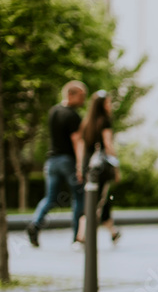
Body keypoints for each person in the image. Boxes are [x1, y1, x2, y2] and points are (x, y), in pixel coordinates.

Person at [27, 81, 88, 248]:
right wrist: (80, 167)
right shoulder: (73, 116)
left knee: (50, 198)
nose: (84, 100)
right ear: (71, 94)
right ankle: (77, 237)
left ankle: (35, 224)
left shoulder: (53, 111)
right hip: (67, 161)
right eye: (82, 96)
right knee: (78, 197)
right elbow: (77, 142)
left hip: (52, 160)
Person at [76, 90, 121, 245]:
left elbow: (81, 146)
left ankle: (113, 232)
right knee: (96, 201)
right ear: (102, 105)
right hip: (101, 168)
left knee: (101, 200)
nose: (110, 106)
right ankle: (82, 236)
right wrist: (116, 166)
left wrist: (80, 167)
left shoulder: (86, 122)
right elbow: (108, 145)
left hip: (88, 166)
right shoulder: (105, 121)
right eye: (108, 102)